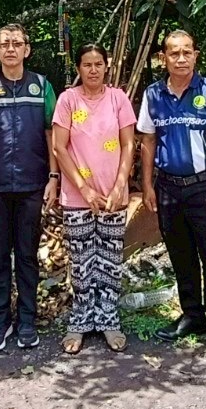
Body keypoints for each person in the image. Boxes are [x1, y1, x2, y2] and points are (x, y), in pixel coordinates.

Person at [138, 30, 206, 363]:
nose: (180, 59)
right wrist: (148, 186)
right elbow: (149, 142)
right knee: (180, 256)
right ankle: (192, 316)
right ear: (163, 58)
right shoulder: (153, 95)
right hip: (168, 188)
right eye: (173, 53)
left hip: (205, 188)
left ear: (196, 55)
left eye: (186, 53)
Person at [0, 23, 58, 352]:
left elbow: (52, 135)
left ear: (27, 50)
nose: (10, 49)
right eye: (4, 43)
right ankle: (0, 323)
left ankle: (28, 322)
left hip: (33, 185)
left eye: (16, 43)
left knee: (28, 256)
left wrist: (54, 177)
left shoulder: (42, 86)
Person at [52, 43, 136, 354]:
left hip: (114, 196)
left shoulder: (118, 99)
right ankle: (81, 322)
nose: (93, 69)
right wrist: (85, 190)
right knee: (82, 262)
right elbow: (60, 148)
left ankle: (109, 320)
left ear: (106, 66)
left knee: (111, 262)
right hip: (78, 197)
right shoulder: (68, 100)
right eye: (87, 64)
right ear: (79, 68)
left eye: (98, 63)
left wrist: (118, 186)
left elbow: (129, 145)